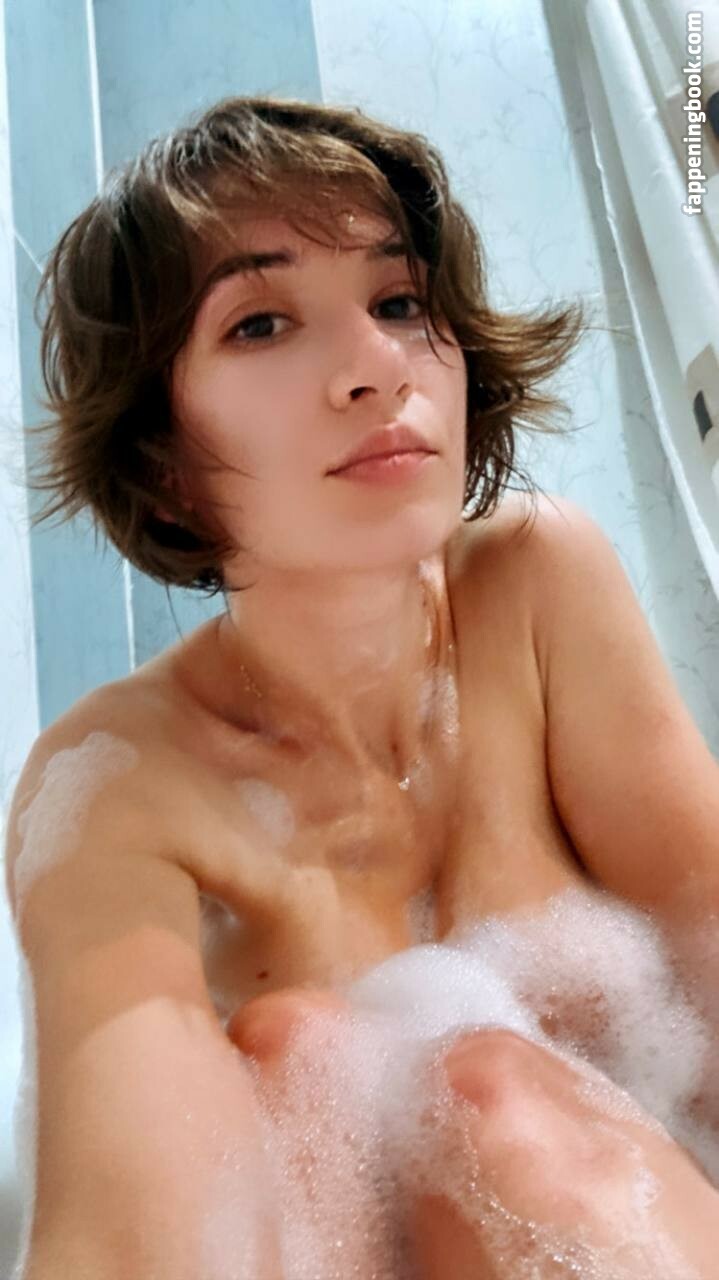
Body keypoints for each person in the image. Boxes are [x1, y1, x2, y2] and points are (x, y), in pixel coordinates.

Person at [5, 93, 719, 1278]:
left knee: (477, 1083)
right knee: (304, 1043)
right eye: (260, 322)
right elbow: (123, 1240)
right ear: (162, 461)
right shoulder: (114, 788)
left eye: (397, 301)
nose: (376, 367)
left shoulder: (534, 583)